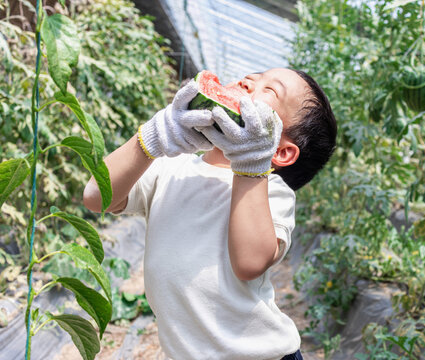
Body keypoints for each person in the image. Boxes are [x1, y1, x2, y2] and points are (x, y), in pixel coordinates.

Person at [83, 67, 337, 360]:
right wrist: (152, 138)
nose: (247, 81)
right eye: (254, 76)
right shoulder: (171, 169)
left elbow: (250, 262)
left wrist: (252, 165)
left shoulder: (270, 193)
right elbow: (95, 197)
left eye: (270, 90)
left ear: (280, 152)